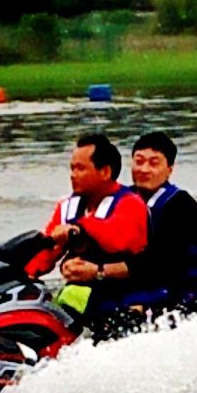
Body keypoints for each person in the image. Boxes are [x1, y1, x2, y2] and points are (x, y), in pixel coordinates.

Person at [28, 132, 149, 329]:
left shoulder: (130, 204)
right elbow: (43, 255)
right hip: (82, 301)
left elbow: (118, 239)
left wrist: (80, 229)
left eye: (80, 168)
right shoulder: (66, 207)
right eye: (72, 168)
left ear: (105, 172)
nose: (73, 175)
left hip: (127, 303)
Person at [112, 130, 197, 324]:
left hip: (179, 303)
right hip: (132, 300)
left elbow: (165, 264)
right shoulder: (120, 201)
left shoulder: (182, 205)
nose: (144, 169)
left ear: (169, 169)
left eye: (154, 163)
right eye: (139, 161)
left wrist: (100, 271)